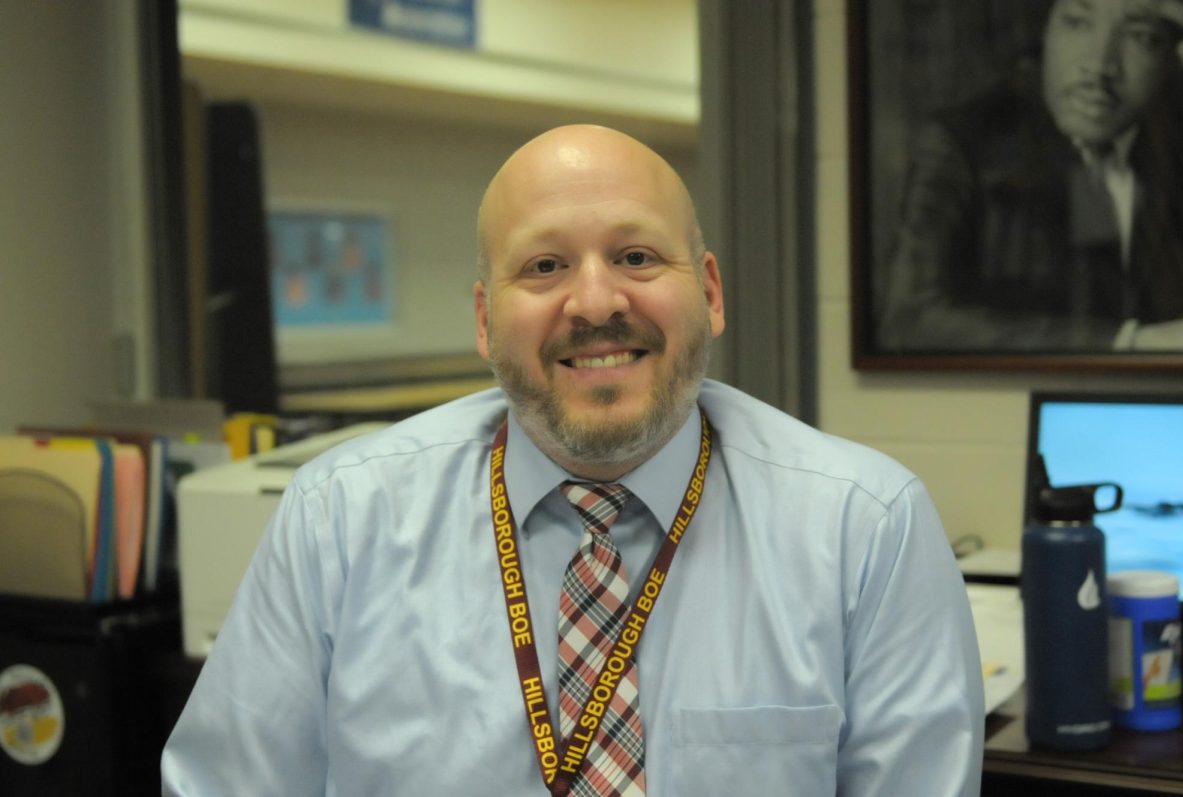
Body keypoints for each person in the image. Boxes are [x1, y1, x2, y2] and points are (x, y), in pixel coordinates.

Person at [162, 125, 984, 795]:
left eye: (635, 256)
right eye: (545, 265)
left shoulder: (865, 529)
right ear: (486, 322)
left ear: (711, 293)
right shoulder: (338, 520)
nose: (596, 303)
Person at [878, 0, 1183, 352]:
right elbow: (908, 320)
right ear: (1044, 30)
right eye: (1077, 24)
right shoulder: (962, 143)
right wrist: (1137, 343)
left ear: (1177, 54)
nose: (1099, 66)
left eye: (1142, 37)